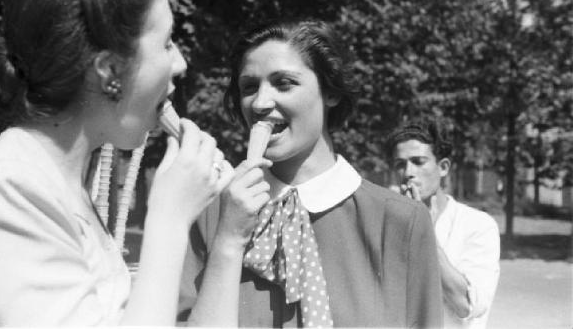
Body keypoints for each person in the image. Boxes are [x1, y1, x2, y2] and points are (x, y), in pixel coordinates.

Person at [0, 0, 269, 326]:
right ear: (111, 70)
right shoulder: (6, 189)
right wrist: (168, 217)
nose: (180, 63)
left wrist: (230, 238)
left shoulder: (65, 188)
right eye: (166, 43)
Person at [178, 20, 443, 327]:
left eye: (284, 83)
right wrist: (229, 238)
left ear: (330, 92)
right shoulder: (209, 216)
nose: (260, 103)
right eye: (249, 87)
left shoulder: (400, 221)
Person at [386, 118, 501, 328]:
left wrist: (425, 232)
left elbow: (466, 305)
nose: (409, 172)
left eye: (418, 161)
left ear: (444, 167)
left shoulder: (478, 225)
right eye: (400, 164)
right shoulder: (388, 224)